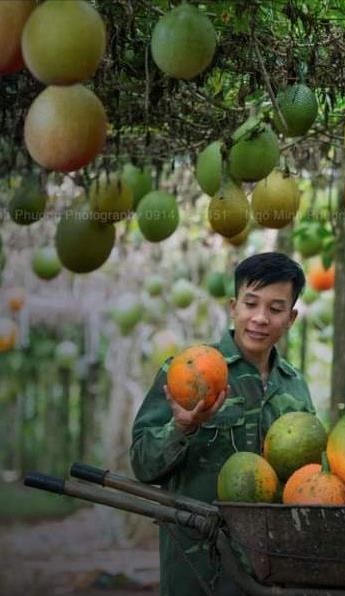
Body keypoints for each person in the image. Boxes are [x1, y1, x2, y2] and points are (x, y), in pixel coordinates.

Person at [130, 252, 315, 596]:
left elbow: (306, 478)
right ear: (234, 307)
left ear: (290, 318)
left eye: (275, 310)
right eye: (251, 304)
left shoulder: (295, 387)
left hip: (271, 572)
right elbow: (142, 462)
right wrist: (181, 429)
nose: (260, 318)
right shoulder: (187, 372)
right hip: (197, 570)